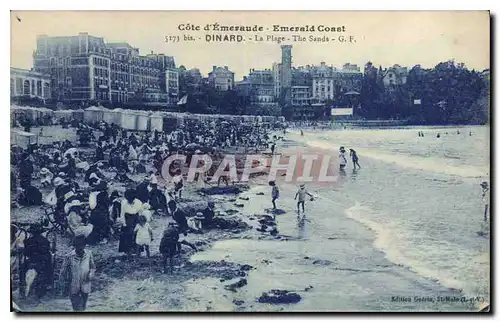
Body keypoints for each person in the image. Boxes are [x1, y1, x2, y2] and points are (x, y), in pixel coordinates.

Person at [59, 235, 95, 312]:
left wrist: (91, 273)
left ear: (85, 245)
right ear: (74, 246)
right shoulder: (69, 257)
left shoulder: (89, 254)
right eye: (77, 246)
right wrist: (63, 286)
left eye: (82, 246)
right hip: (73, 286)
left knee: (83, 306)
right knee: (77, 308)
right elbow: (63, 272)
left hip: (85, 284)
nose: (79, 248)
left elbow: (92, 267)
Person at [22, 224, 53, 298]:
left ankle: (22, 285)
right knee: (49, 267)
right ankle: (49, 284)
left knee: (22, 268)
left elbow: (26, 253)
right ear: (40, 232)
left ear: (32, 232)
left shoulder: (28, 241)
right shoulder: (45, 241)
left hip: (31, 262)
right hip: (42, 262)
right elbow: (47, 253)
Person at [118, 189, 143, 257]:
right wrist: (124, 224)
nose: (130, 200)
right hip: (127, 219)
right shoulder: (123, 203)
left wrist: (140, 223)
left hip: (136, 219)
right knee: (127, 235)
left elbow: (141, 213)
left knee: (137, 234)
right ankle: (127, 251)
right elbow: (122, 214)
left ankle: (137, 251)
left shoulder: (138, 202)